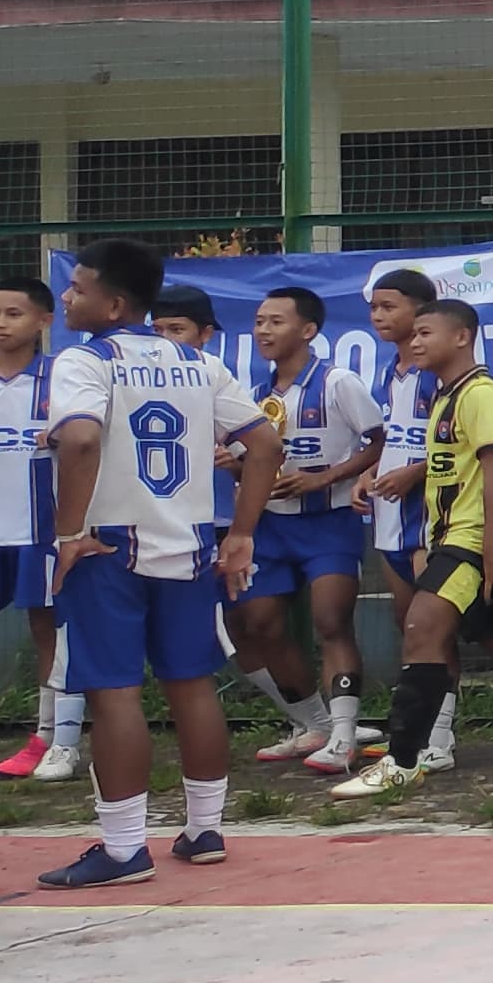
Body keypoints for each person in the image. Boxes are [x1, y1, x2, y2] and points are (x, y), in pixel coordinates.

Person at [35, 239, 278, 887]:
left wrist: (69, 533)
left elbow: (83, 438)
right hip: (192, 539)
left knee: (113, 689)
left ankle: (121, 848)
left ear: (112, 303)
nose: (66, 297)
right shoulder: (196, 362)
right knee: (191, 682)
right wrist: (244, 533)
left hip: (107, 543)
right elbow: (265, 442)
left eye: (77, 288)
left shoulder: (83, 361)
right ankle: (204, 830)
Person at [341, 299, 493, 795]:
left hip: (477, 538)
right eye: (411, 335)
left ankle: (403, 761)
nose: (414, 342)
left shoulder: (482, 395)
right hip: (459, 537)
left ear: (462, 337)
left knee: (421, 625)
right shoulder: (445, 397)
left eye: (425, 333)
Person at [148, 285, 331, 764]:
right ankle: (309, 720)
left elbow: (263, 450)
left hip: (220, 526)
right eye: (157, 331)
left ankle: (325, 724)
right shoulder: (133, 382)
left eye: (177, 330)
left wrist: (236, 496)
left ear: (206, 335)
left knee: (252, 624)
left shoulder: (213, 379)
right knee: (232, 631)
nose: (165, 341)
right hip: (157, 527)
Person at [236, 285, 382, 780]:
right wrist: (235, 466)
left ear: (308, 330)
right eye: (258, 321)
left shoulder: (338, 382)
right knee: (259, 624)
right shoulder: (256, 394)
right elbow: (254, 460)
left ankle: (344, 736)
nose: (262, 330)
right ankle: (314, 724)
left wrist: (326, 476)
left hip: (329, 522)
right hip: (273, 526)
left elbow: (379, 443)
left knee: (330, 621)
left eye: (275, 321)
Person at [352, 266, 456, 776]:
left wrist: (414, 473)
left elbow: (457, 444)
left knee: (431, 626)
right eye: (374, 307)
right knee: (405, 620)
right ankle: (415, 731)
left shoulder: (441, 371)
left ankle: (440, 736)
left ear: (422, 311)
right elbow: (393, 438)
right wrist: (369, 472)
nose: (378, 316)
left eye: (389, 306)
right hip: (390, 514)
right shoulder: (389, 371)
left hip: (429, 515)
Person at [0, 271, 77, 785]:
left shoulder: (61, 382)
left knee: (48, 632)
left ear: (44, 321)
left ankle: (48, 738)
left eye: (13, 313)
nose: (0, 323)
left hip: (37, 532)